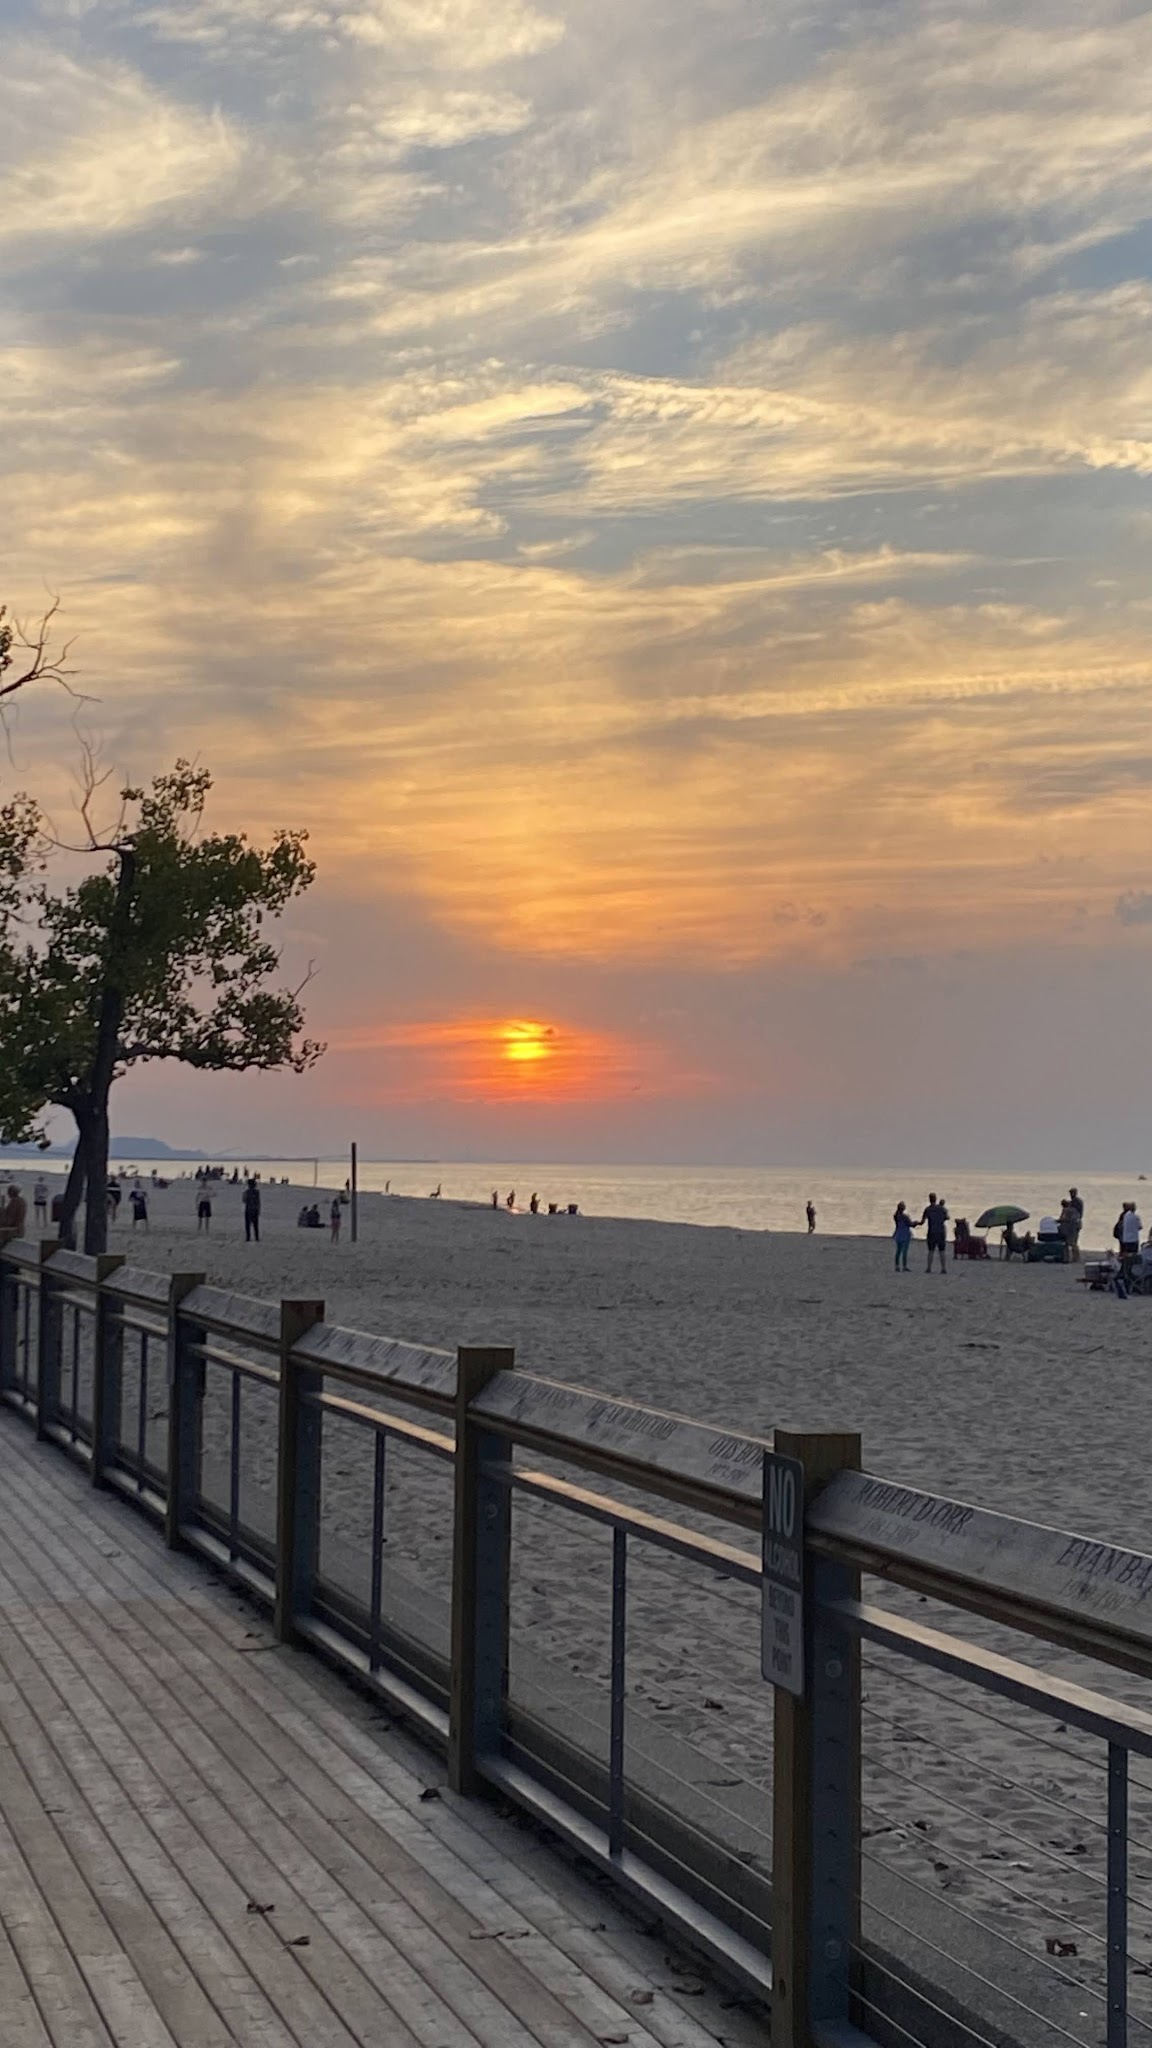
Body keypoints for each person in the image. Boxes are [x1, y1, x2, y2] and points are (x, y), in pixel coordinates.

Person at [919, 1191, 949, 1273]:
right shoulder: (942, 1209)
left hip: (931, 1231)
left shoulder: (928, 1209)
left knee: (931, 1250)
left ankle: (929, 1268)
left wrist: (915, 1223)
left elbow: (922, 1221)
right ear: (936, 1199)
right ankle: (943, 1268)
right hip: (941, 1231)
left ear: (929, 1200)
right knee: (942, 1251)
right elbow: (947, 1217)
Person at [892, 1201, 913, 1272]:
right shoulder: (905, 1217)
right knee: (904, 1251)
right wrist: (917, 1223)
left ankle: (897, 1266)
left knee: (898, 1251)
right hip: (905, 1234)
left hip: (898, 1234)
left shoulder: (896, 1216)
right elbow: (911, 1224)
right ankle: (904, 1266)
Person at [243, 1178, 261, 1243]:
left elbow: (244, 1200)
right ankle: (256, 1237)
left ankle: (248, 1237)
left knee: (248, 1225)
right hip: (254, 1210)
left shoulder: (247, 1192)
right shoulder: (256, 1192)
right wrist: (258, 1209)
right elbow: (258, 1202)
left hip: (249, 1210)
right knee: (255, 1225)